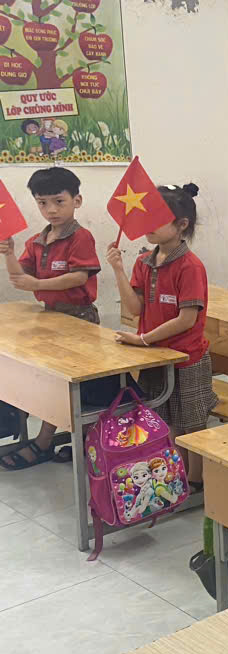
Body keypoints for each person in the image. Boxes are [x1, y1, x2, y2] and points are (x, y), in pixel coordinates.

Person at [106, 184, 216, 484]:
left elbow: (186, 319)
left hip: (187, 359)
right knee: (167, 420)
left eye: (157, 218)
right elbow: (135, 308)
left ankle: (197, 481)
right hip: (156, 356)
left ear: (182, 225)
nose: (147, 225)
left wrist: (143, 339)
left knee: (193, 424)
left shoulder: (190, 266)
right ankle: (179, 477)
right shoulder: (144, 261)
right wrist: (118, 269)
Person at [0, 167, 100, 469]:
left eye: (59, 201)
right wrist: (9, 253)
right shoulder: (37, 240)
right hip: (50, 320)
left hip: (80, 321)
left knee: (74, 387)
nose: (51, 210)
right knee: (49, 384)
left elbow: (79, 277)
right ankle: (65, 440)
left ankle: (53, 442)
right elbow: (20, 278)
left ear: (77, 201)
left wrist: (38, 284)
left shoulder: (81, 237)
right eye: (43, 203)